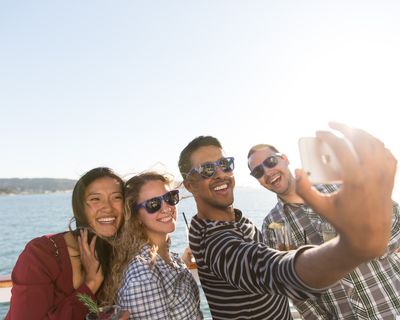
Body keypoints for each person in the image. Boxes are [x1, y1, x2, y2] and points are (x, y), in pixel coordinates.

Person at [178, 122, 397, 320]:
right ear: (190, 185)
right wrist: (351, 249)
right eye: (207, 169)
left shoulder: (240, 221)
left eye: (224, 164)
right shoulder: (227, 237)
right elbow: (267, 268)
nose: (220, 174)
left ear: (285, 159)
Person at [247, 141, 400, 319]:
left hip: (392, 303)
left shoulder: (337, 186)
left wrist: (371, 246)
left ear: (285, 159)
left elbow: (394, 220)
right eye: (258, 171)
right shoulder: (272, 225)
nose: (267, 171)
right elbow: (297, 292)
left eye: (271, 161)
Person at [6, 167, 129, 320]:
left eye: (117, 197)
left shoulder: (123, 255)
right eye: (95, 199)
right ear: (80, 207)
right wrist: (91, 283)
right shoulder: (41, 253)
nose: (108, 207)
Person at [104, 172, 203, 319]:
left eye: (170, 197)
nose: (166, 208)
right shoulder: (144, 278)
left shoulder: (164, 259)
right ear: (136, 216)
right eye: (153, 204)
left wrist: (182, 264)